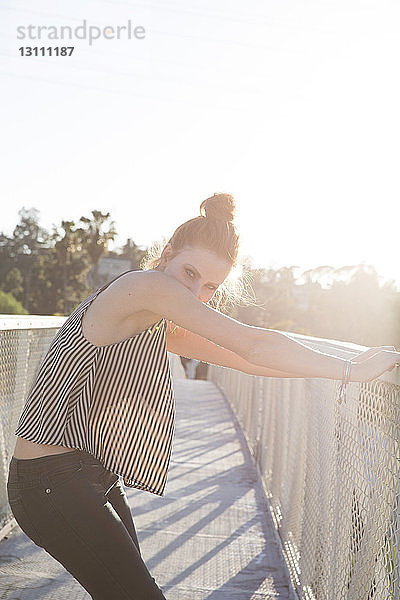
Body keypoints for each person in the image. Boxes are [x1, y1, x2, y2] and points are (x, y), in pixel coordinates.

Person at [7, 193, 400, 599]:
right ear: (167, 254)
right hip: (50, 482)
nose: (195, 291)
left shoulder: (158, 311)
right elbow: (253, 345)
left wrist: (345, 368)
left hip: (86, 475)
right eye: (189, 272)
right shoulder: (148, 287)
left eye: (210, 286)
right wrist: (351, 370)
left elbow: (245, 359)